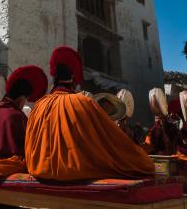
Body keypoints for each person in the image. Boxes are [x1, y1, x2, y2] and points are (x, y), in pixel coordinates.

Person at [25, 46, 155, 181]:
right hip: (72, 173)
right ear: (73, 78)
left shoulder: (38, 106)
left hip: (39, 171)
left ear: (54, 77)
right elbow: (111, 144)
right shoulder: (83, 102)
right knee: (144, 164)